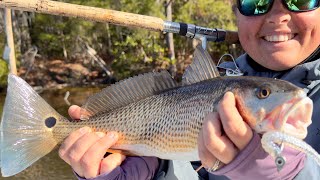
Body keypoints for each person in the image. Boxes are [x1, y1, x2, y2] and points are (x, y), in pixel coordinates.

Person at [58, 0, 320, 179]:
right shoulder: (220, 78)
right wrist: (157, 171)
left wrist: (289, 173)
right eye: (255, 1)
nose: (277, 16)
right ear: (236, 11)